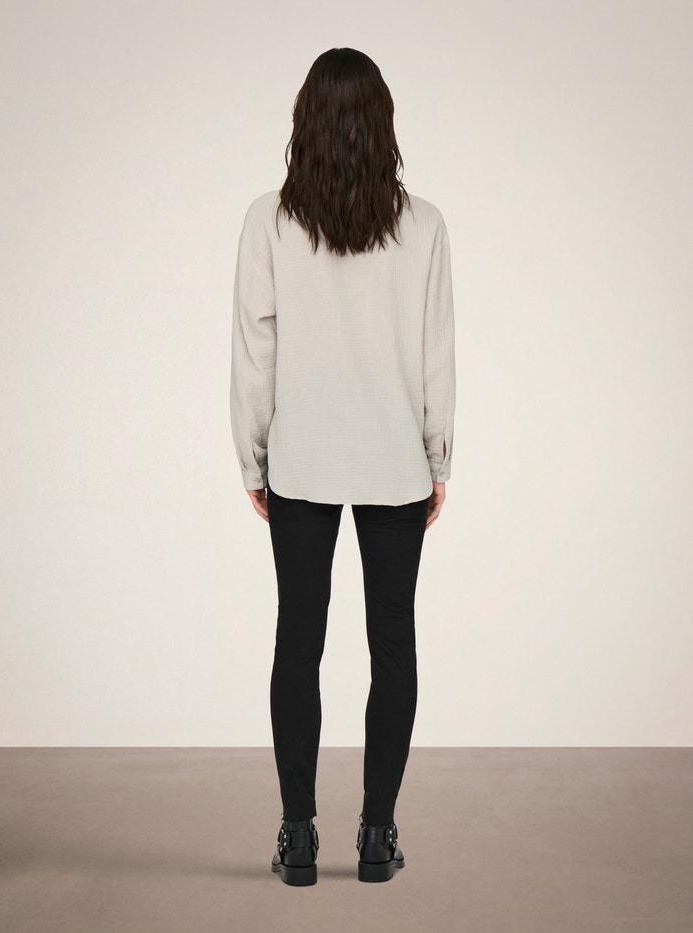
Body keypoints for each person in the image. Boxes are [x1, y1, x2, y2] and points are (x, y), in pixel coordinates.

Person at [230, 47, 456, 886]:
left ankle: (297, 836)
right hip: (395, 459)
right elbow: (437, 355)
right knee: (392, 641)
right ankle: (376, 835)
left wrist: (253, 454)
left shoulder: (269, 221)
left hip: (301, 460)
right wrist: (438, 454)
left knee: (299, 638)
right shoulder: (423, 225)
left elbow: (255, 348)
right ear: (382, 123)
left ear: (306, 124)